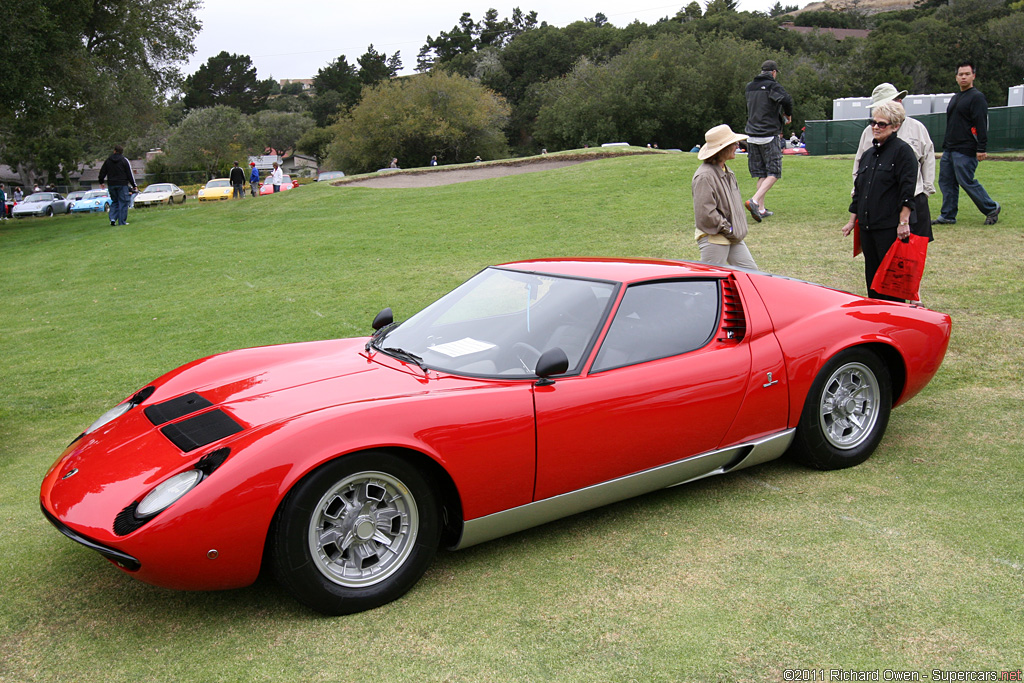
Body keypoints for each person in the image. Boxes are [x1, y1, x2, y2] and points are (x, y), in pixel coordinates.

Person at [842, 101, 918, 302]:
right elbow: (859, 191)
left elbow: (907, 190)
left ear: (895, 126)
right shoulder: (869, 154)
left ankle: (894, 321)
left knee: (891, 284)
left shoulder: (903, 152)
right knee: (872, 279)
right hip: (868, 227)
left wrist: (903, 222)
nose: (876, 127)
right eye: (873, 122)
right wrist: (852, 221)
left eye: (882, 124)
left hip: (889, 228)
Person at [853, 83, 935, 242]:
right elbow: (860, 165)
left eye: (898, 100)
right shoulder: (870, 132)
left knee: (912, 254)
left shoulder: (917, 128)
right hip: (880, 204)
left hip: (914, 198)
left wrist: (925, 191)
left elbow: (928, 160)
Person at [933, 61, 1000, 226]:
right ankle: (948, 215)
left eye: (967, 74)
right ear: (956, 77)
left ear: (973, 76)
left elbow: (981, 124)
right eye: (960, 74)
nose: (963, 77)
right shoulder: (956, 97)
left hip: (966, 148)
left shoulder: (977, 97)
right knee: (947, 182)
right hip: (950, 148)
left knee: (966, 181)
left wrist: (981, 148)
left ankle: (991, 208)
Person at [691, 124, 758, 270]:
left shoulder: (727, 171)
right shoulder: (704, 176)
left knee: (752, 275)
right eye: (733, 143)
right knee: (709, 283)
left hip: (731, 237)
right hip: (715, 238)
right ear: (723, 149)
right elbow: (706, 214)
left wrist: (734, 231)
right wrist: (730, 229)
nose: (737, 145)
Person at [743, 59, 793, 222]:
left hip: (751, 135)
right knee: (774, 172)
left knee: (762, 173)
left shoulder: (749, 87)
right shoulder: (773, 86)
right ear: (773, 72)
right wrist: (787, 114)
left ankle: (761, 209)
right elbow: (786, 100)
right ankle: (755, 201)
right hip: (768, 134)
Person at [98, 144, 138, 226]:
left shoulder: (108, 160)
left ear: (114, 151)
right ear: (122, 152)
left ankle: (112, 218)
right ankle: (122, 222)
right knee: (123, 202)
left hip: (111, 184)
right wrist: (134, 185)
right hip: (122, 184)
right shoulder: (124, 160)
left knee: (115, 201)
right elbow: (129, 173)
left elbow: (102, 172)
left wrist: (101, 181)